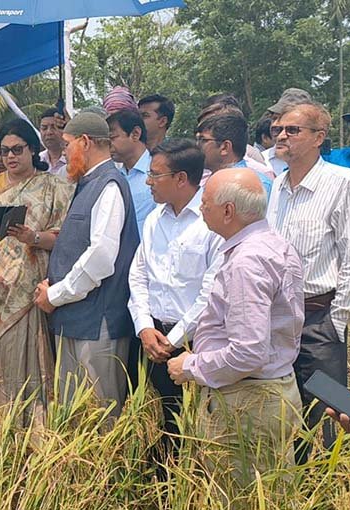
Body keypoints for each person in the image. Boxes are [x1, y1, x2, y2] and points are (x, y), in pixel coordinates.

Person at [167, 167, 304, 489]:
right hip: (268, 392)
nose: (200, 208)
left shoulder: (248, 261)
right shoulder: (271, 245)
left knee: (240, 494)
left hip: (248, 401)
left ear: (228, 211)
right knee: (270, 491)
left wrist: (190, 366)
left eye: (206, 202)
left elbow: (248, 352)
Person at [266, 102, 350, 458]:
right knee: (286, 410)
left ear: (319, 138)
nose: (282, 135)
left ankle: (336, 483)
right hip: (279, 318)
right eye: (278, 129)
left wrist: (337, 321)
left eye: (292, 130)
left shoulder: (344, 183)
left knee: (328, 412)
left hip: (320, 316)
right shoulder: (278, 185)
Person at [0, 119, 73, 421]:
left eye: (18, 149)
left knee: (31, 360)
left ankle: (35, 427)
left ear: (33, 149)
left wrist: (33, 238)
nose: (10, 156)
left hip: (30, 291)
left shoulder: (56, 187)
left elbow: (66, 239)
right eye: (4, 151)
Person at [33, 111, 139, 416]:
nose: (64, 152)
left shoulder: (109, 185)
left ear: (85, 141)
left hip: (97, 324)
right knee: (73, 415)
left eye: (68, 144)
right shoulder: (88, 183)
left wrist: (55, 294)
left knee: (99, 416)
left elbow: (101, 258)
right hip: (75, 318)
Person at [127, 138, 221, 445]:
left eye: (155, 175)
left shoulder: (211, 223)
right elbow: (139, 274)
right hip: (153, 339)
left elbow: (211, 292)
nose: (149, 182)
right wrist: (144, 326)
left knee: (195, 428)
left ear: (181, 179)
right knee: (158, 426)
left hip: (195, 344)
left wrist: (174, 338)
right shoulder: (155, 219)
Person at [196, 113, 274, 197]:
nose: (197, 145)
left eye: (203, 140)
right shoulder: (207, 181)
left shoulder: (255, 187)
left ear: (225, 147)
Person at [107, 109, 156, 236]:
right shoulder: (113, 177)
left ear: (135, 134)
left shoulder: (158, 174)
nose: (108, 145)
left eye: (112, 137)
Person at [262, 88, 313, 175]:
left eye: (287, 119)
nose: (276, 124)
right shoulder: (260, 161)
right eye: (274, 118)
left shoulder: (327, 162)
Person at [39, 108, 68, 179]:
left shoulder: (74, 161)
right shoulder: (37, 160)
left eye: (53, 127)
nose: (49, 132)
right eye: (44, 128)